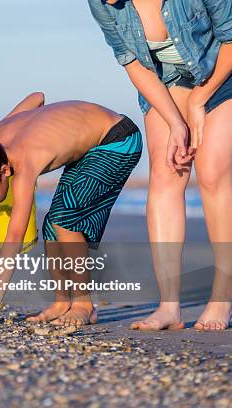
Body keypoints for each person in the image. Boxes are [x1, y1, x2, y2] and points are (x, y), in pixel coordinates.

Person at [88, 0, 231, 330]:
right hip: (166, 80)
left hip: (222, 69)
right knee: (166, 174)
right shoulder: (101, 3)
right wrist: (175, 123)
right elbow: (134, 64)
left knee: (212, 171)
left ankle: (222, 298)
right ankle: (169, 307)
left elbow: (231, 38)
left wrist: (198, 100)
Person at [0, 92, 142, 326]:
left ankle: (84, 305)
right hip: (90, 147)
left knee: (64, 219)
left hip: (118, 139)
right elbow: (37, 97)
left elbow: (15, 235)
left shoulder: (23, 160)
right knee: (51, 226)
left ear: (4, 171)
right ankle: (62, 303)